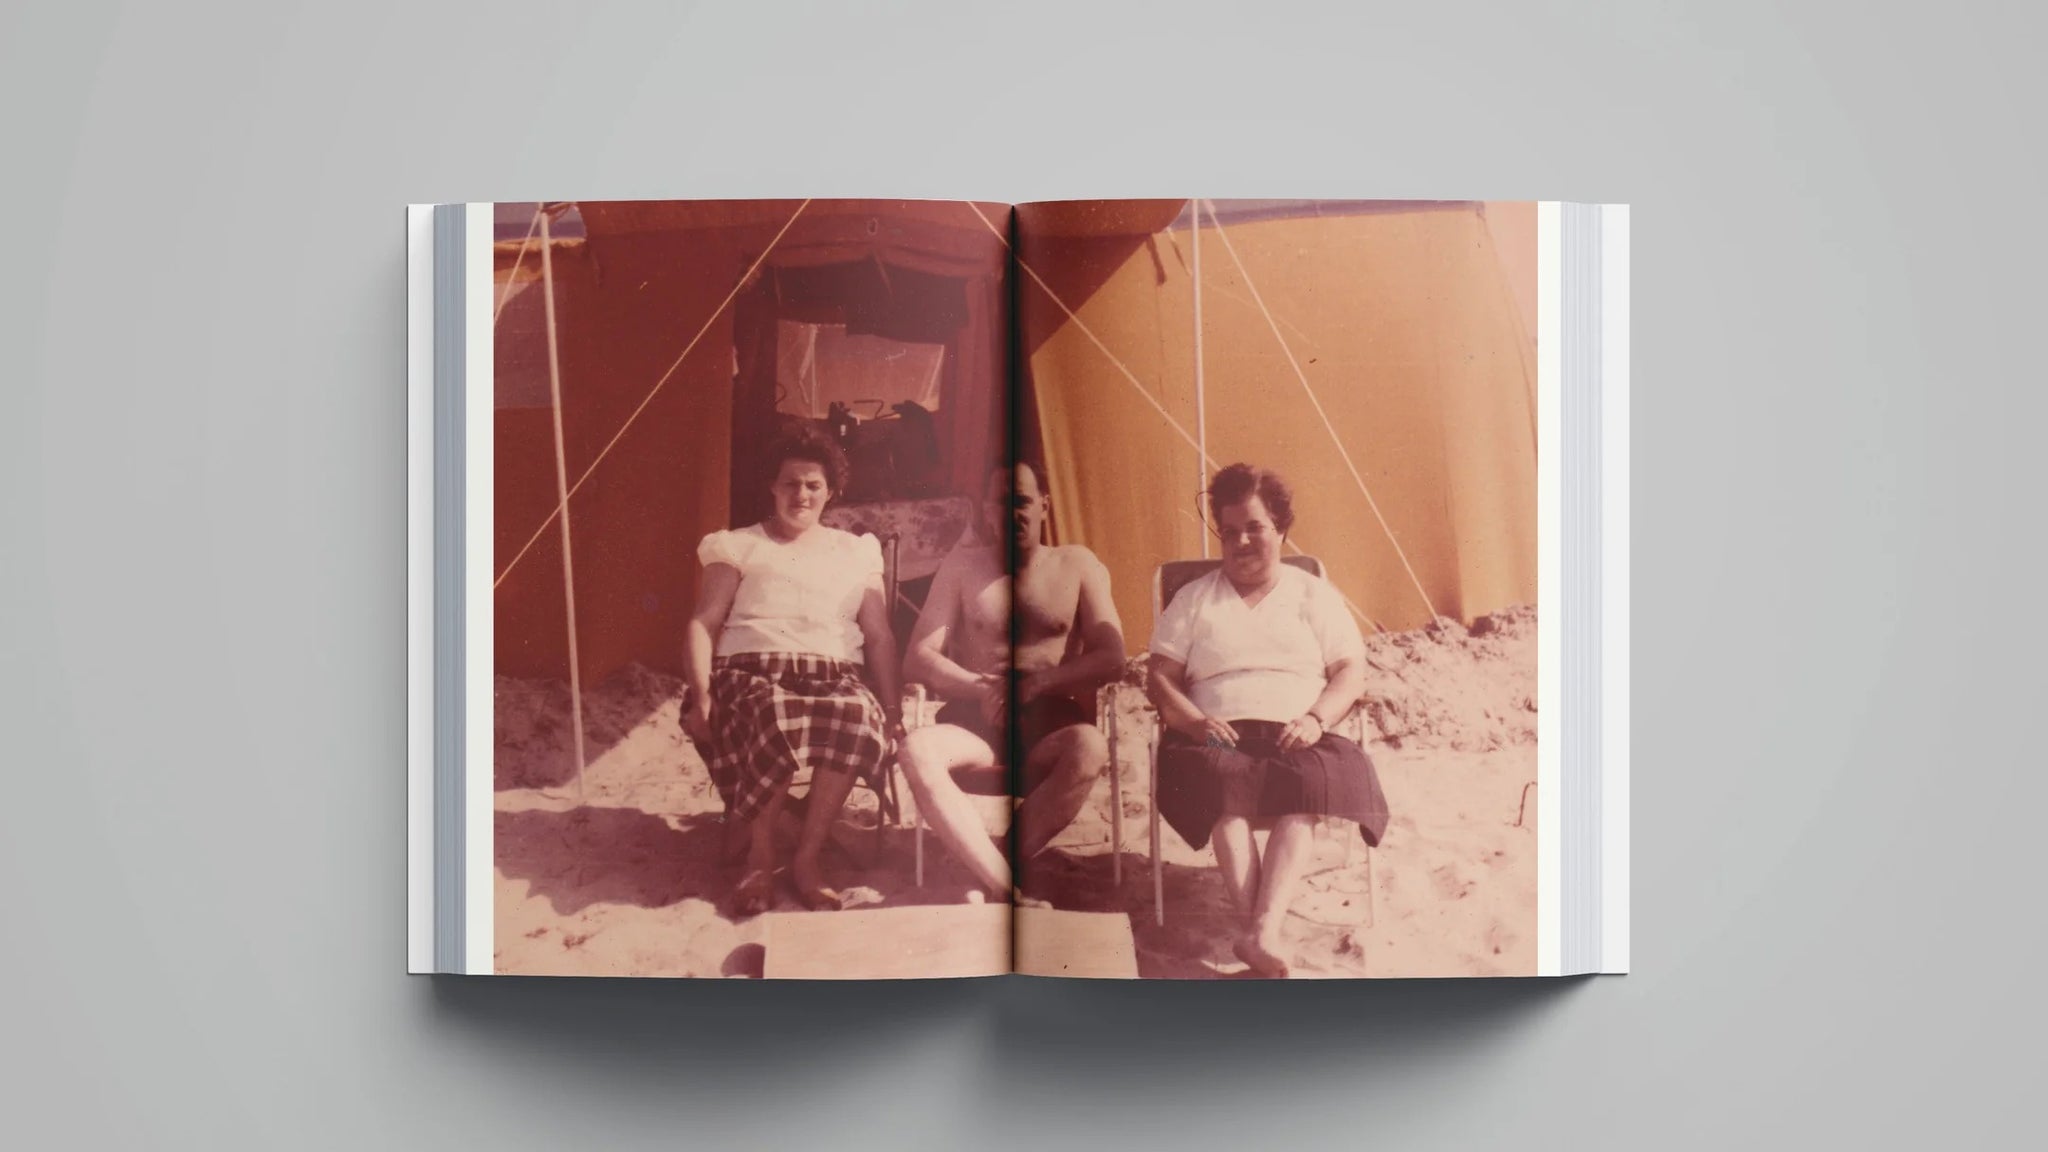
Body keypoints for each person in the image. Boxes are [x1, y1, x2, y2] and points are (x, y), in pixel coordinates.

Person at [1146, 463, 1390, 977]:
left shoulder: (1311, 594)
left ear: (1281, 530)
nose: (1240, 542)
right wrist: (1194, 724)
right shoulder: (1195, 599)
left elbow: (1350, 670)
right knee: (1220, 790)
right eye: (1229, 532)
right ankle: (1262, 932)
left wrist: (1317, 718)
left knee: (1304, 792)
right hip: (1216, 736)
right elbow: (1160, 678)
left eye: (1254, 528)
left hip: (1298, 732)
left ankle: (1261, 932)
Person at [683, 423, 903, 916]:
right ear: (772, 486)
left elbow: (880, 636)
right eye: (790, 483)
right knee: (775, 715)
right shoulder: (737, 544)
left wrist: (892, 710)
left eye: (813, 485)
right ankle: (761, 856)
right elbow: (703, 622)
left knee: (856, 716)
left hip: (834, 675)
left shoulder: (855, 551)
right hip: (752, 673)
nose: (801, 494)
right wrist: (701, 694)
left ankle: (806, 857)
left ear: (831, 491)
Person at [898, 461, 1126, 902]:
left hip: (1050, 719)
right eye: (1001, 503)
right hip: (975, 716)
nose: (1012, 513)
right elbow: (918, 658)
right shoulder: (962, 567)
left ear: (1044, 505)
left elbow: (1113, 657)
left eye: (1022, 501)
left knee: (1090, 747)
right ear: (986, 511)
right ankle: (1003, 883)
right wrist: (980, 688)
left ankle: (993, 864)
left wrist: (1040, 683)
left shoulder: (1077, 564)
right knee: (915, 749)